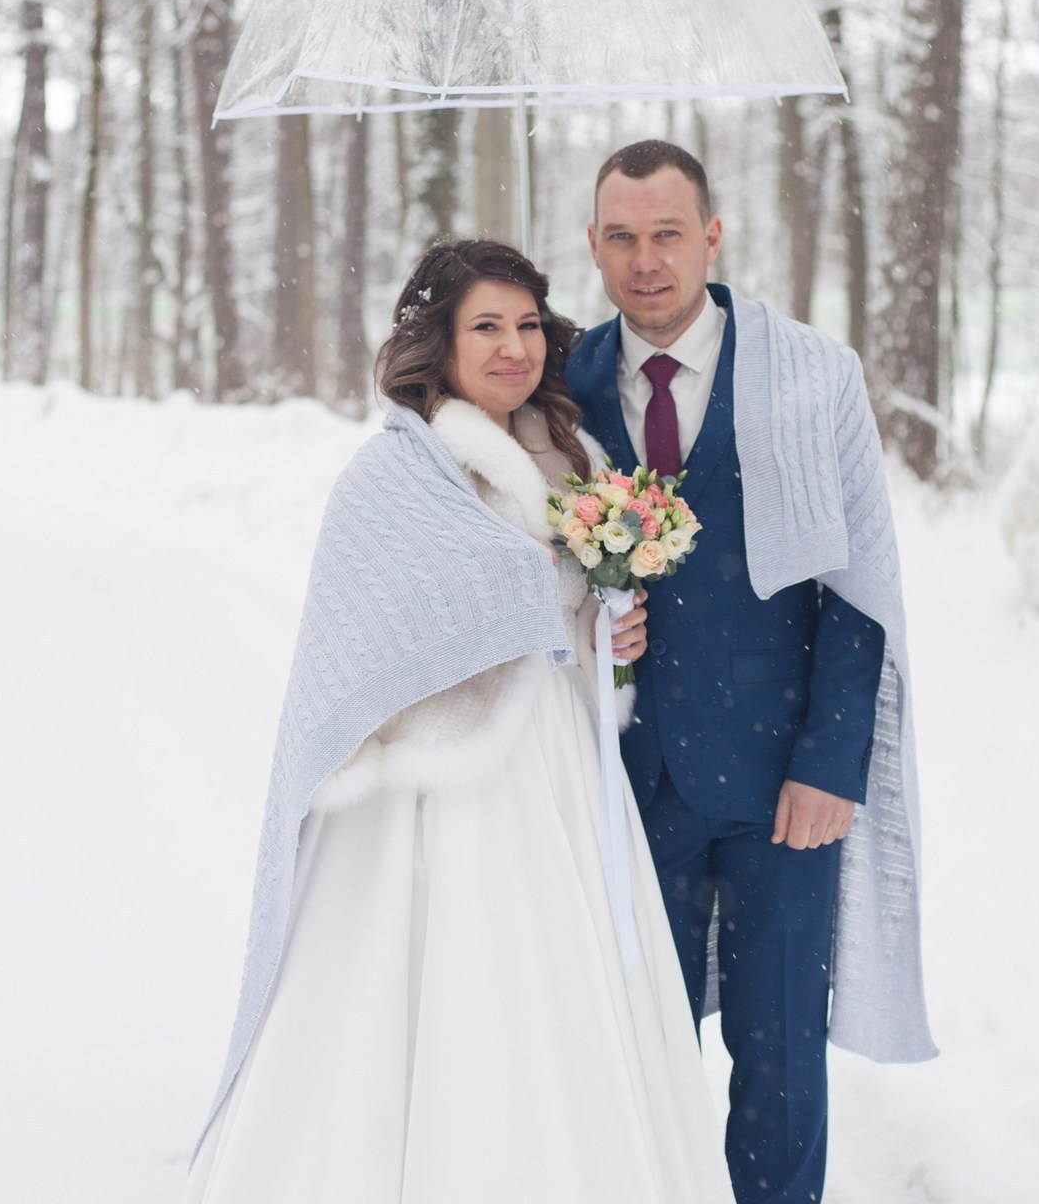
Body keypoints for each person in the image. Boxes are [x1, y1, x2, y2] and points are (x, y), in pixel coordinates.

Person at [184, 239, 732, 1203]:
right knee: (430, 992)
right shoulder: (396, 473)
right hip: (432, 777)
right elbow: (397, 624)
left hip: (555, 760)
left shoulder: (575, 457)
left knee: (561, 991)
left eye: (527, 324)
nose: (513, 347)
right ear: (436, 345)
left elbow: (561, 621)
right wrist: (565, 581)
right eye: (486, 326)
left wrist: (614, 623)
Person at [566, 140, 937, 1204]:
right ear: (593, 244)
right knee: (637, 1044)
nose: (646, 260)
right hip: (623, 782)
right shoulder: (562, 382)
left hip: (783, 781)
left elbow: (856, 587)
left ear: (711, 236)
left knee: (778, 1061)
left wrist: (830, 765)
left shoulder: (812, 375)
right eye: (623, 237)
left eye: (667, 233)